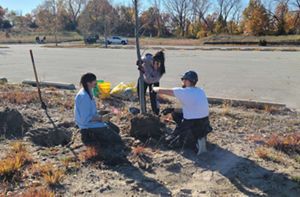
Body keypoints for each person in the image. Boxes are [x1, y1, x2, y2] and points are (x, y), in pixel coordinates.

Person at [153, 71, 212, 154]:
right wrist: (172, 109)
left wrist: (153, 87)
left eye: (183, 79)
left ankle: (195, 143)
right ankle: (200, 136)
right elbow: (189, 106)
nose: (182, 81)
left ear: (187, 81)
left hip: (192, 122)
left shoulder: (183, 91)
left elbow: (159, 90)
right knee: (176, 113)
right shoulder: (200, 91)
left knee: (170, 142)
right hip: (205, 122)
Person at [74, 73, 122, 147]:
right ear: (88, 83)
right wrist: (101, 118)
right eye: (94, 81)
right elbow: (85, 118)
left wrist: (103, 114)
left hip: (94, 121)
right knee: (117, 140)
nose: (96, 82)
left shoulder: (89, 91)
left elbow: (91, 111)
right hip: (87, 126)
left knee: (116, 130)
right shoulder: (83, 97)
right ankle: (90, 138)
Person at [137, 50, 166, 115]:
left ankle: (155, 112)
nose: (156, 65)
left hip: (154, 82)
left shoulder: (161, 71)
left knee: (153, 98)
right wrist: (140, 61)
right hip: (143, 80)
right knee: (141, 95)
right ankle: (143, 111)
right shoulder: (148, 59)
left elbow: (150, 79)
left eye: (158, 64)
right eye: (155, 62)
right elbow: (143, 58)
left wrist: (143, 71)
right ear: (153, 59)